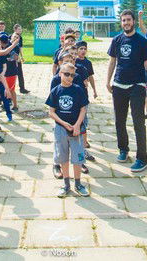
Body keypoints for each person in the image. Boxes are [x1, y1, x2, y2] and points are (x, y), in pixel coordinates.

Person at [106, 9, 147, 173]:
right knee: (119, 121)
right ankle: (123, 149)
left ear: (133, 21)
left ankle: (142, 158)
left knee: (138, 122)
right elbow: (112, 61)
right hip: (119, 85)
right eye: (123, 20)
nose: (126, 23)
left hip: (137, 85)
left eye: (128, 20)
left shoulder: (142, 41)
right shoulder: (116, 40)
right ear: (121, 22)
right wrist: (108, 80)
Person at [46, 63, 90, 197]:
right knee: (63, 157)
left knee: (78, 157)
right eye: (66, 74)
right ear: (60, 74)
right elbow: (51, 112)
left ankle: (78, 183)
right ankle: (66, 184)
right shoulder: (56, 91)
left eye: (72, 75)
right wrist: (63, 123)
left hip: (76, 129)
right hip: (61, 129)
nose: (69, 77)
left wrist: (77, 125)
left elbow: (83, 109)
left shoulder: (78, 90)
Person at [0, 34, 22, 111]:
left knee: (10, 90)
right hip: (6, 72)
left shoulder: (11, 47)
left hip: (11, 72)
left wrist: (10, 57)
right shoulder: (5, 47)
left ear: (1, 42)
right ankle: (9, 105)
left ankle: (14, 106)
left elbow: (16, 57)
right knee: (8, 89)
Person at [12, 24, 30, 95]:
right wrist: (16, 58)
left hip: (17, 57)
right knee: (13, 74)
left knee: (20, 73)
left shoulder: (20, 37)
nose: (20, 30)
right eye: (19, 29)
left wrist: (22, 57)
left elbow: (20, 48)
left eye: (21, 29)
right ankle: (12, 88)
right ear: (15, 30)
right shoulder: (12, 36)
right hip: (12, 58)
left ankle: (22, 88)